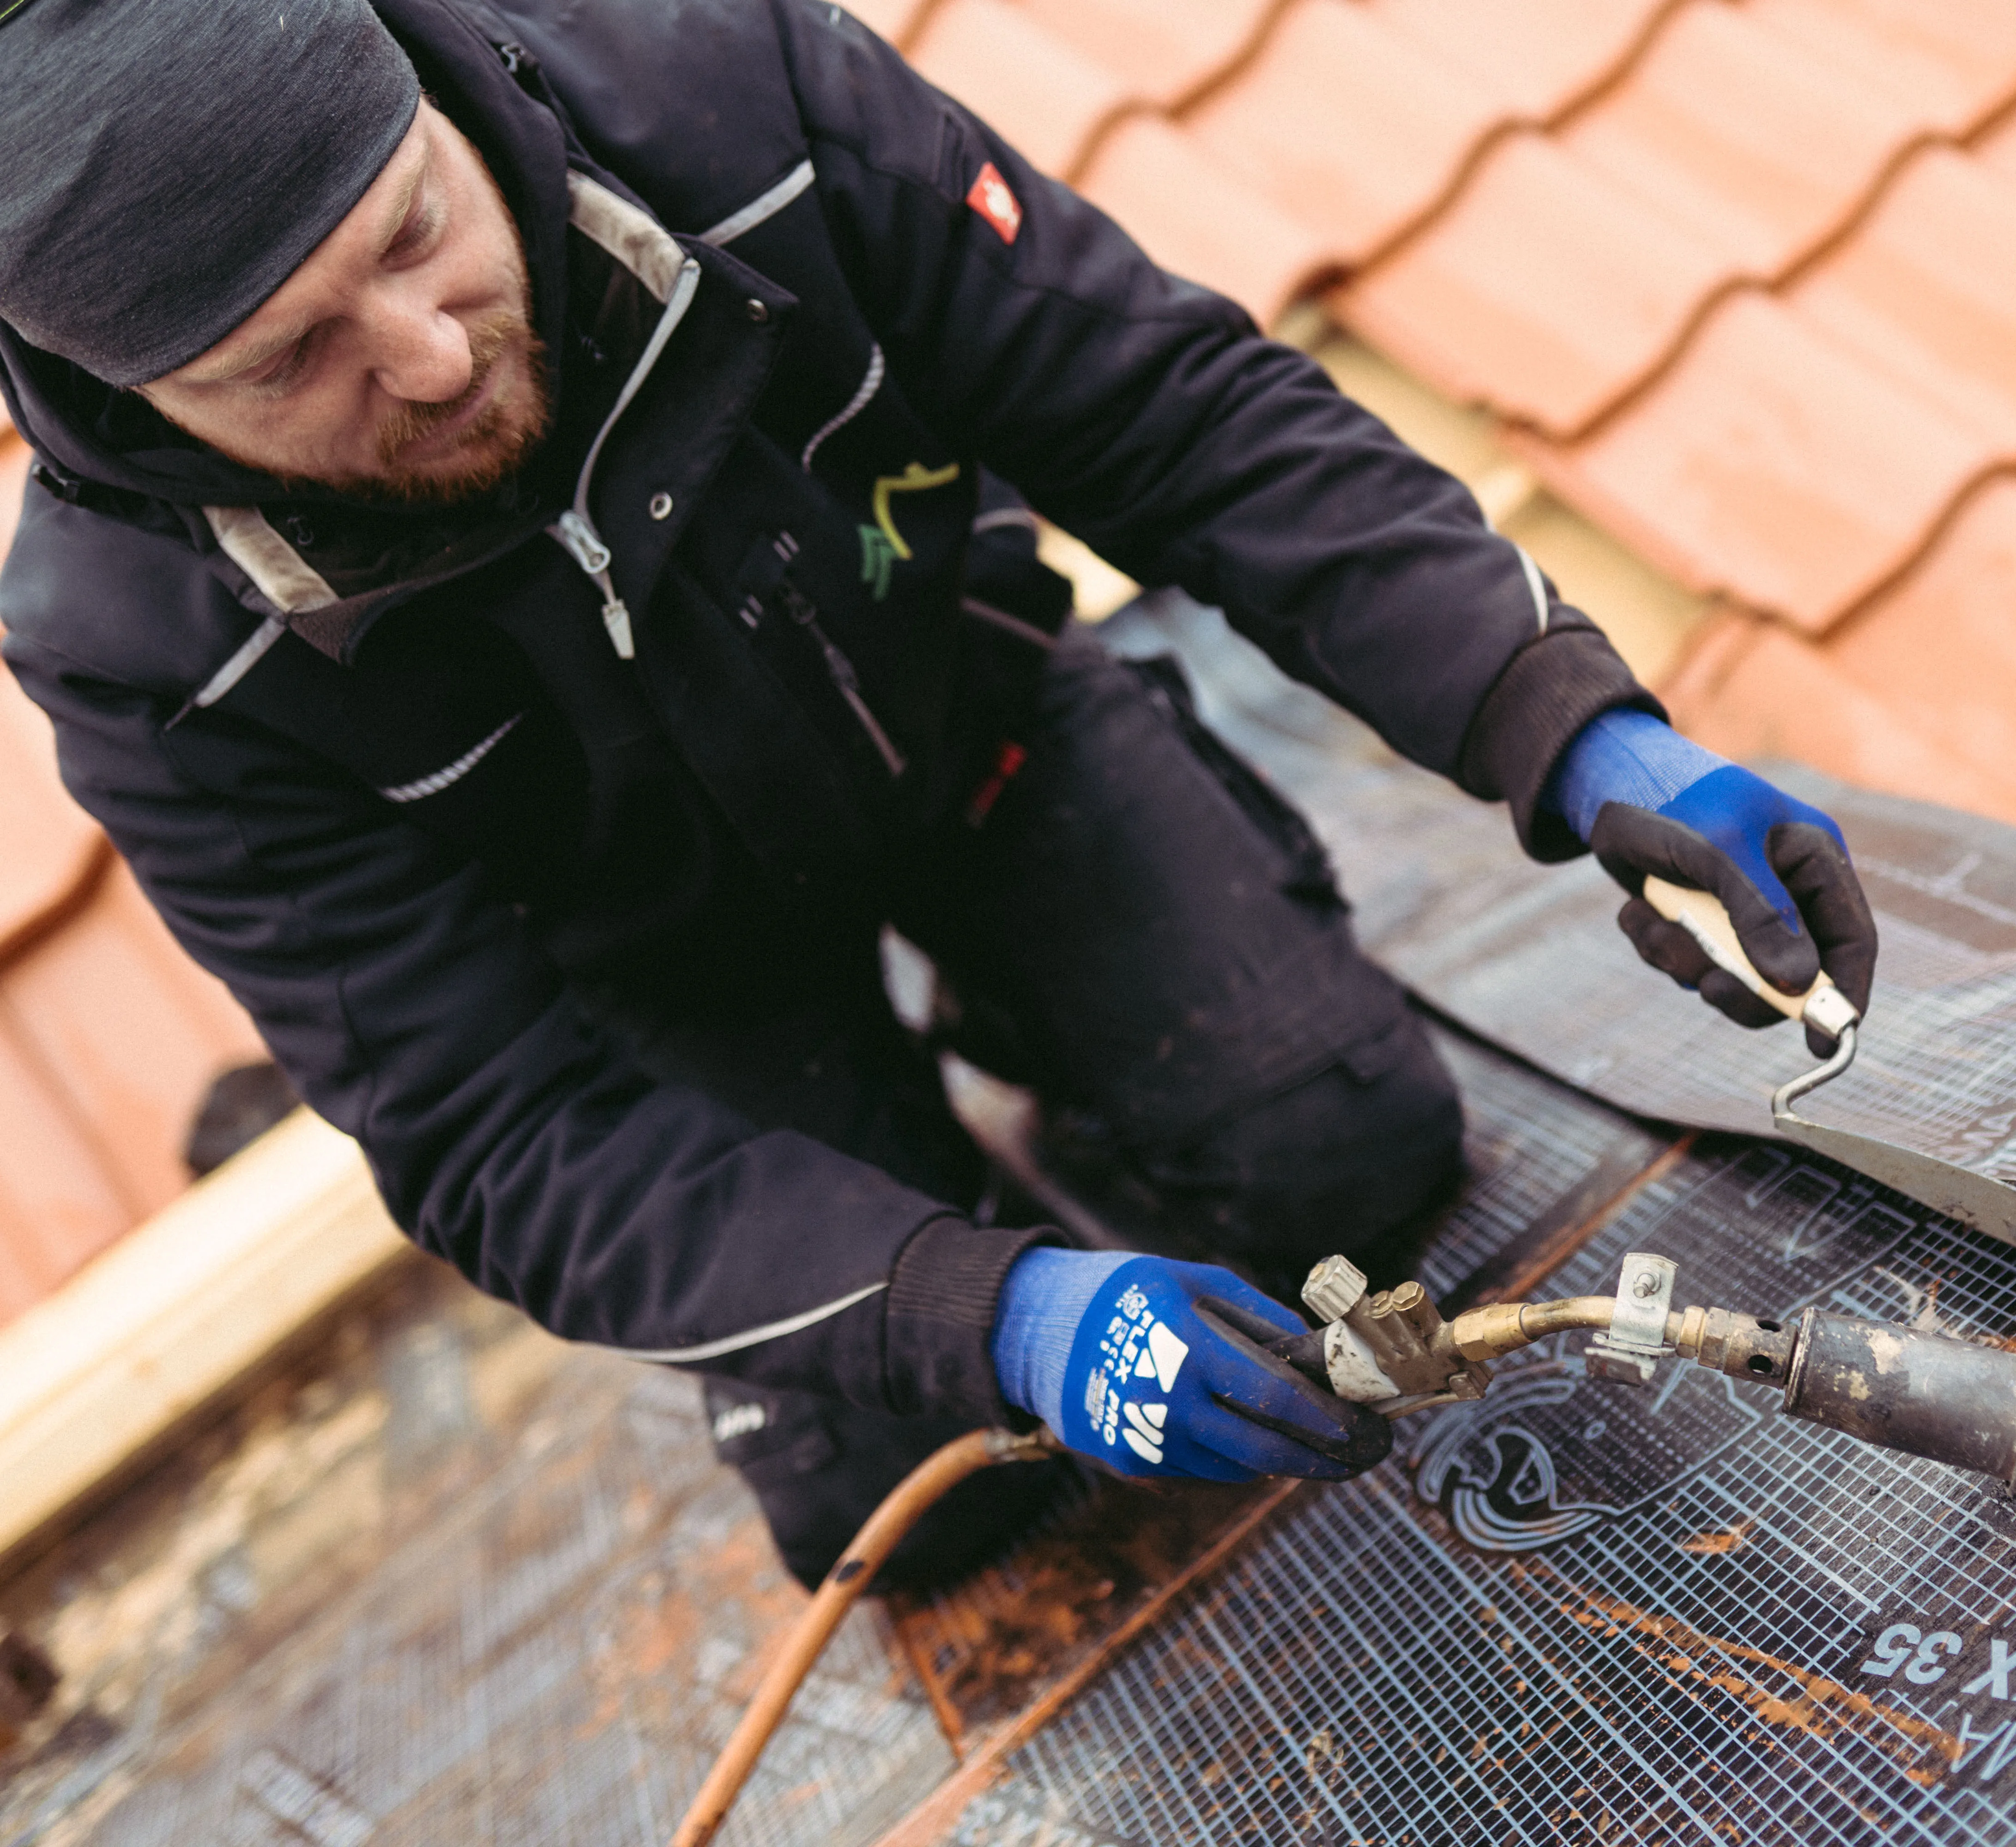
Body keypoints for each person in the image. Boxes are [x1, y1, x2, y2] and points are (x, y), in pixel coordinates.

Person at [0, 0, 1876, 1592]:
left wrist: (1564, 719)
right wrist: (990, 1314)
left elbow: (1174, 417)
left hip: (970, 729)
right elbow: (493, 1129)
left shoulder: (735, 93)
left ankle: (1060, 1021)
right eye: (287, 364)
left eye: (416, 228)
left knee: (1344, 1158)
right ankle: (931, 1177)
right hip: (672, 993)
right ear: (135, 407)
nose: (423, 354)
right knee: (913, 1516)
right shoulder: (138, 653)